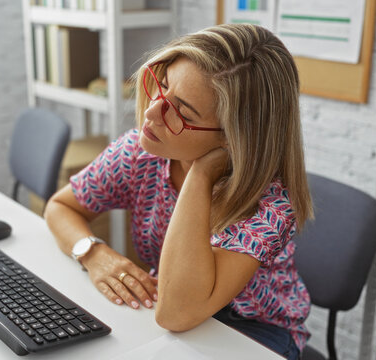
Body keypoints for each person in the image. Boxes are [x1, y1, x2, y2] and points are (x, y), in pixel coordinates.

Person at [44, 23, 313, 359]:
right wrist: (94, 253)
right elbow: (60, 207)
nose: (153, 112)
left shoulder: (270, 205)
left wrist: (200, 174)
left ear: (232, 138)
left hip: (255, 330)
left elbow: (177, 314)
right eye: (163, 85)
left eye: (182, 113)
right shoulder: (141, 154)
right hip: (175, 296)